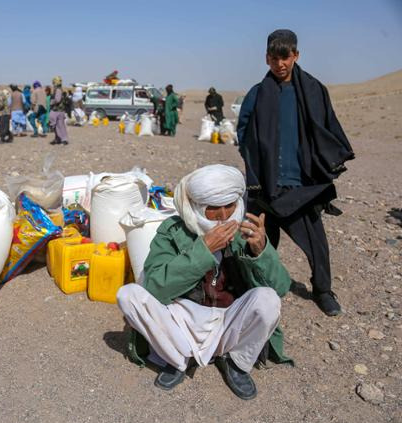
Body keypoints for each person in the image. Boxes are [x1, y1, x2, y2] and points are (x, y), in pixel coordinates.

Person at [117, 164, 292, 399]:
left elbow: (280, 288)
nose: (223, 216)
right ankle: (178, 359)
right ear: (197, 206)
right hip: (183, 319)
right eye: (213, 208)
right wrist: (203, 251)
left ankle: (236, 361)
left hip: (230, 319)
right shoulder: (173, 230)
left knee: (267, 299)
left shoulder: (246, 231)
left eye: (229, 206)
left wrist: (261, 251)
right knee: (128, 295)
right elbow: (154, 287)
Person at [237, 29, 354, 316]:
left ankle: (323, 290)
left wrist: (325, 163)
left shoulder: (313, 90)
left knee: (317, 244)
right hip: (264, 184)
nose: (280, 64)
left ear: (296, 55)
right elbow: (243, 131)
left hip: (300, 185)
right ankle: (257, 285)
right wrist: (257, 162)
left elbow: (327, 126)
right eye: (274, 58)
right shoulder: (257, 93)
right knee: (258, 241)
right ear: (267, 59)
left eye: (285, 57)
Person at [49, 76, 69, 145]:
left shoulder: (58, 90)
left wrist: (52, 102)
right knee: (59, 125)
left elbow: (57, 100)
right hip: (60, 110)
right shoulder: (60, 89)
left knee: (58, 125)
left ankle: (63, 139)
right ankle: (58, 139)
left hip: (57, 110)